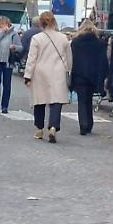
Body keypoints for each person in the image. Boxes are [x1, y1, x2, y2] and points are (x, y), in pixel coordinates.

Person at [23, 11, 72, 143]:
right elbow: (68, 58)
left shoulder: (37, 38)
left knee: (39, 101)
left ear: (41, 23)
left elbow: (31, 58)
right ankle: (53, 127)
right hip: (58, 72)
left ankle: (39, 129)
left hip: (40, 72)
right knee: (56, 101)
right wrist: (68, 70)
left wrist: (28, 75)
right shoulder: (63, 38)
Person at [70, 19, 108, 135]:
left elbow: (72, 60)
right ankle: (89, 124)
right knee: (89, 99)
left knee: (82, 100)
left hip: (79, 74)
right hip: (93, 75)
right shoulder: (100, 43)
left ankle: (83, 124)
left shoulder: (75, 42)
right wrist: (103, 75)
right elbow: (103, 61)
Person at [0, 15, 22, 114]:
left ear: (8, 24)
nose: (3, 26)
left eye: (5, 24)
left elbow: (20, 47)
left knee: (7, 84)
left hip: (8, 62)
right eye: (1, 24)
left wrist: (14, 47)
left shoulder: (13, 34)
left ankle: (5, 106)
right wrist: (2, 33)